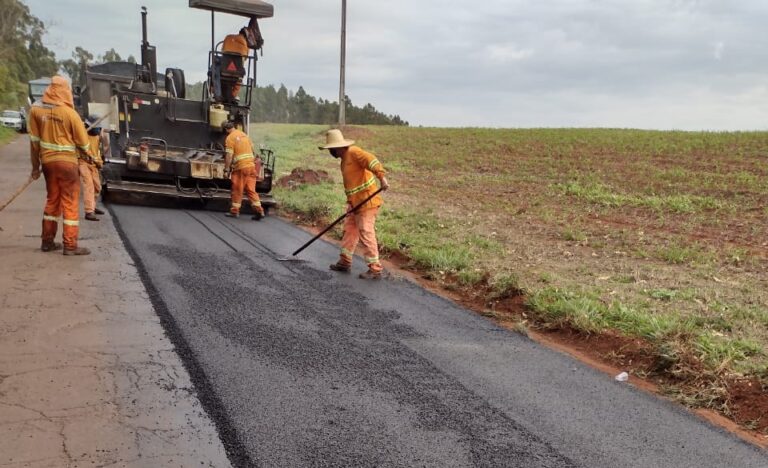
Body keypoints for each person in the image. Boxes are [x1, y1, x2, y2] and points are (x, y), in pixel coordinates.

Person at [28, 75, 92, 255]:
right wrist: (89, 156)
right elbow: (84, 145)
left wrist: (35, 168)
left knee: (52, 201)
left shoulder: (35, 111)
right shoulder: (70, 114)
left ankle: (47, 242)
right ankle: (70, 245)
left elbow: (34, 143)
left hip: (48, 164)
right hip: (68, 166)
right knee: (70, 203)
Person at [319, 129, 390, 280]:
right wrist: (351, 203)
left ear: (338, 147)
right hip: (355, 203)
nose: (330, 152)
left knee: (365, 231)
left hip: (367, 201)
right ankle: (345, 261)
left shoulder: (354, 152)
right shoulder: (344, 159)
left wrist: (382, 178)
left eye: (331, 149)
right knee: (349, 230)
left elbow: (371, 160)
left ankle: (375, 269)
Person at [222, 121, 265, 220]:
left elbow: (229, 156)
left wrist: (226, 169)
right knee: (251, 190)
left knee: (237, 189)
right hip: (251, 166)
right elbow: (253, 151)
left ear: (225, 129)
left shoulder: (230, 138)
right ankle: (259, 211)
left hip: (241, 168)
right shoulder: (244, 135)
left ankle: (234, 211)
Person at [80, 115, 106, 221]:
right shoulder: (82, 133)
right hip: (83, 162)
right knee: (89, 185)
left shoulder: (97, 136)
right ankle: (89, 211)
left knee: (97, 187)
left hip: (94, 164)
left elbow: (97, 152)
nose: (98, 130)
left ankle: (93, 206)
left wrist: (99, 162)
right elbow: (84, 149)